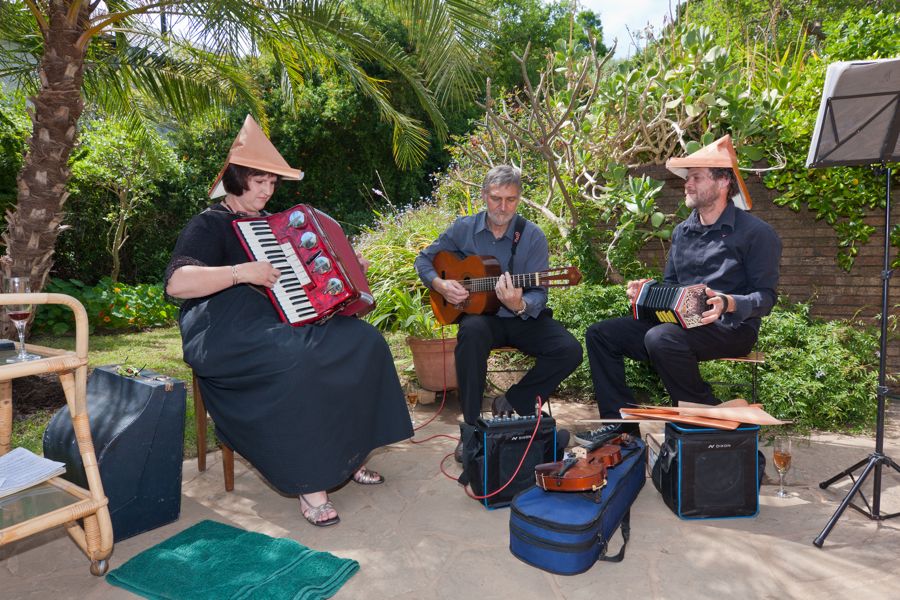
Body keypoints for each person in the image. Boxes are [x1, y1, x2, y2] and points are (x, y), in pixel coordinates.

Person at [165, 115, 412, 527]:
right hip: (224, 328)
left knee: (363, 341)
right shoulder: (209, 223)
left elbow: (306, 283)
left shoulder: (275, 227)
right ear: (236, 180)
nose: (267, 190)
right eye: (259, 182)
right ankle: (310, 483)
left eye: (272, 183)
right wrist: (241, 272)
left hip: (282, 319)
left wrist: (348, 270)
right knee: (299, 361)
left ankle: (347, 456)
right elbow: (177, 283)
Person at [579, 135, 781, 444]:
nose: (688, 184)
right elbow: (672, 287)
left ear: (723, 181)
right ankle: (622, 429)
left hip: (732, 327)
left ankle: (709, 421)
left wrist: (727, 302)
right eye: (688, 178)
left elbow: (766, 297)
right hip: (681, 324)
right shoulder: (682, 231)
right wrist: (645, 292)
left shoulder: (757, 233)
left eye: (696, 177)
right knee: (601, 334)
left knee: (660, 337)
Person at [414, 165, 583, 461]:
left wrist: (520, 305)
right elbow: (424, 259)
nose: (503, 207)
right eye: (496, 198)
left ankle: (514, 400)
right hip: (483, 321)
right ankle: (470, 430)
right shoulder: (463, 228)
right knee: (471, 331)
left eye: (511, 199)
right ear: (484, 196)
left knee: (569, 349)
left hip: (522, 319)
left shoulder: (531, 236)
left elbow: (538, 294)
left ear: (519, 200)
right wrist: (441, 285)